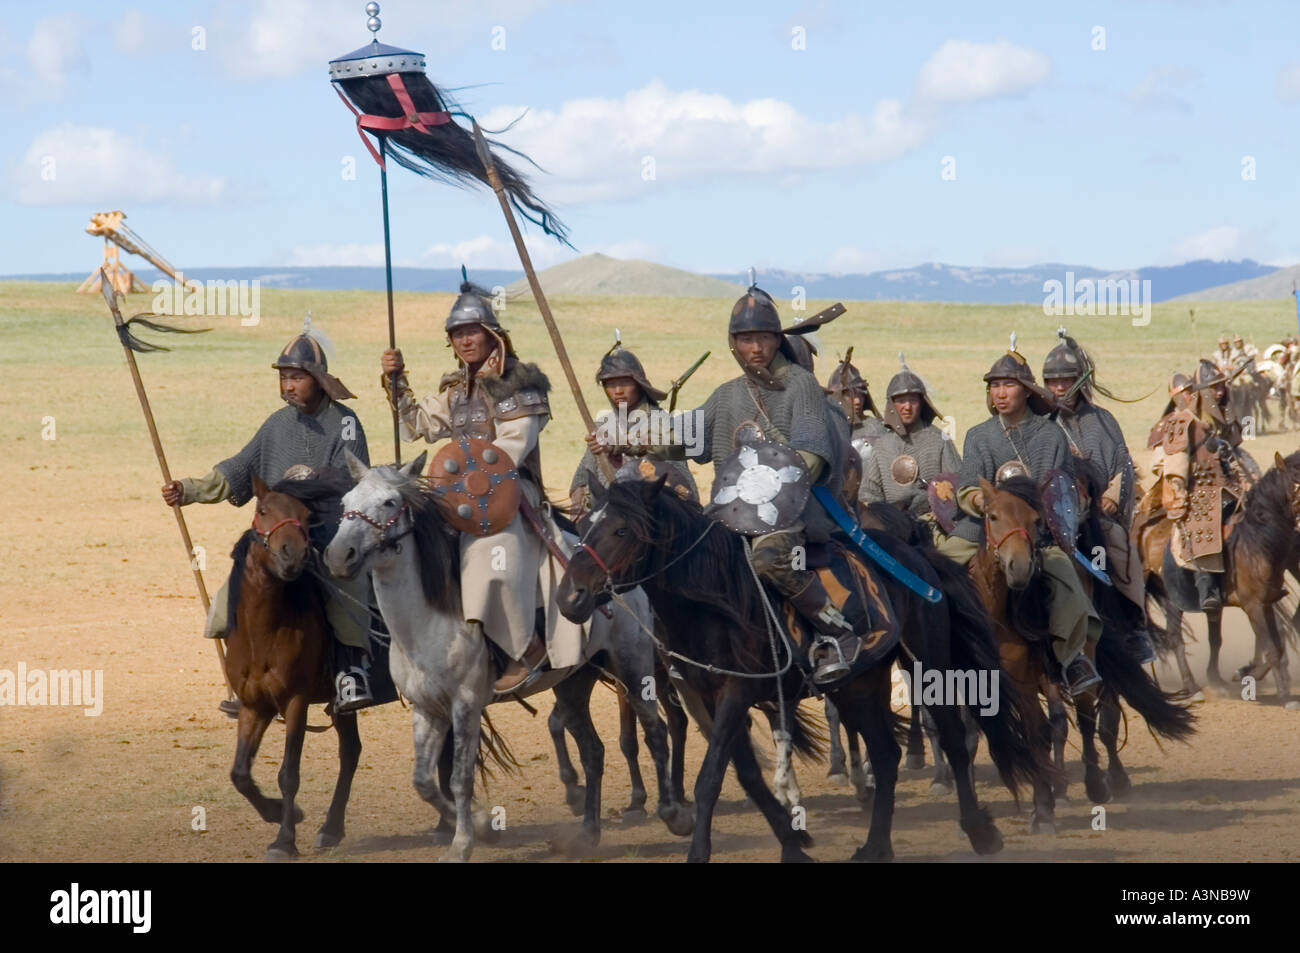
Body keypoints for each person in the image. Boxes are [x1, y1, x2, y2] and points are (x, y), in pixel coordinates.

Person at [161, 319, 380, 712]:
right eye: (284, 378)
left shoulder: (344, 422)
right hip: (275, 533)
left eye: (297, 377)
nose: (288, 386)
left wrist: (302, 489)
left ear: (317, 378)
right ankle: (245, 679)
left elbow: (349, 480)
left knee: (343, 584)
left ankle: (351, 672)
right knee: (233, 594)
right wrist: (189, 489)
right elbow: (238, 470)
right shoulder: (277, 424)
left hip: (325, 531)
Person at [380, 277, 585, 693]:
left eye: (472, 332)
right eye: (457, 334)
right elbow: (419, 424)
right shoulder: (456, 389)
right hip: (455, 495)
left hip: (509, 497)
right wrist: (397, 384)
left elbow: (512, 447)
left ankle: (523, 647)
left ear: (492, 334)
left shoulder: (518, 382)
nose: (465, 341)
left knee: (495, 555)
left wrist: (469, 482)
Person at [680, 282, 887, 684]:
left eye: (762, 338)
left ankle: (835, 631)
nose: (754, 347)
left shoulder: (801, 385)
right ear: (733, 343)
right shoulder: (726, 396)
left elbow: (810, 454)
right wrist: (624, 435)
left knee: (770, 558)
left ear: (776, 339)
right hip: (728, 514)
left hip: (790, 516)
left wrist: (768, 500)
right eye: (745, 339)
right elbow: (683, 435)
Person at [933, 337, 1103, 697]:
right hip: (981, 527)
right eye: (994, 386)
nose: (1000, 393)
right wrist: (981, 500)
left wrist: (1029, 516)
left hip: (1036, 533)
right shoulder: (979, 435)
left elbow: (1055, 491)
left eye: (1008, 384)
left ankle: (1072, 660)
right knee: (934, 575)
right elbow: (966, 486)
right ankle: (936, 656)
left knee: (1070, 586)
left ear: (1026, 391)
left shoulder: (1050, 436)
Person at [1041, 331, 1155, 663]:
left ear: (1080, 381)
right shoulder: (1040, 423)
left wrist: (1110, 501)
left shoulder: (1102, 420)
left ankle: (1135, 626)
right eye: (1052, 381)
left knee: (1118, 544)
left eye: (1066, 380)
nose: (1060, 387)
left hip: (1097, 513)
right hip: (1051, 514)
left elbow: (1124, 467)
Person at [1147, 360, 1257, 611]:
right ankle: (1208, 589)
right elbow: (1174, 461)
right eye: (1214, 389)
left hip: (1230, 487)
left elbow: (1236, 442)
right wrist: (1176, 491)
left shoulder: (1218, 421)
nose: (1219, 393)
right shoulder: (1181, 422)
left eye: (1222, 388)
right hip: (1198, 490)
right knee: (1202, 521)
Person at [572, 340, 697, 514]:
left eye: (624, 383)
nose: (617, 391)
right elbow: (582, 480)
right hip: (611, 519)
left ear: (639, 384)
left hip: (657, 516)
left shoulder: (661, 420)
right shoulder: (603, 425)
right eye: (610, 384)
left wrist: (619, 445)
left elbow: (678, 479)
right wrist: (578, 505)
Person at [860, 354, 960, 517]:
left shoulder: (939, 440)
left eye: (913, 400)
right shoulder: (883, 445)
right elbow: (869, 492)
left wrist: (939, 511)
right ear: (892, 405)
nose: (907, 407)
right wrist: (882, 515)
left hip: (933, 520)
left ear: (922, 403)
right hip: (893, 523)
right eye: (901, 400)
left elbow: (956, 484)